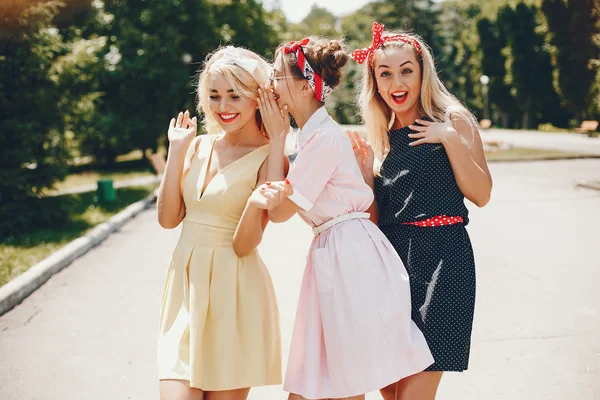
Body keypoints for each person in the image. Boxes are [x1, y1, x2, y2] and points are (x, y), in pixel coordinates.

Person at [256, 36, 433, 400]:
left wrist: (276, 138)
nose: (269, 86)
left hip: (349, 258)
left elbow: (278, 212)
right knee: (323, 379)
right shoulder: (312, 136)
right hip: (337, 254)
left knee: (340, 381)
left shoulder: (322, 140)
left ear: (305, 87)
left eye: (276, 77)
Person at [349, 22, 493, 400]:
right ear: (375, 82)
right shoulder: (379, 139)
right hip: (392, 267)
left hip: (445, 261)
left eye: (406, 70)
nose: (397, 81)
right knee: (391, 391)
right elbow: (376, 220)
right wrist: (366, 176)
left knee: (414, 393)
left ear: (422, 72)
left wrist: (447, 138)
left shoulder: (454, 120)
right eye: (385, 73)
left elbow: (481, 194)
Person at [156, 46, 284, 400]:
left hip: (236, 295)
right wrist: (175, 152)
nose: (223, 106)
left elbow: (249, 241)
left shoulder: (269, 158)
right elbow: (168, 220)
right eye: (214, 96)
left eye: (234, 96)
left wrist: (277, 140)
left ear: (258, 98)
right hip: (186, 291)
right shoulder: (196, 147)